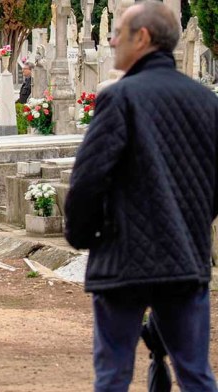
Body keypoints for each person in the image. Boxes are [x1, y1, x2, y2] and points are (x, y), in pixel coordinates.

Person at [64, 2, 218, 391]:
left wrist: (86, 236)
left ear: (143, 38)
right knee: (196, 374)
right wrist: (193, 223)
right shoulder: (208, 102)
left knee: (114, 375)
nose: (112, 40)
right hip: (186, 258)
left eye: (119, 32)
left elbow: (88, 179)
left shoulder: (121, 97)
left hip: (123, 260)